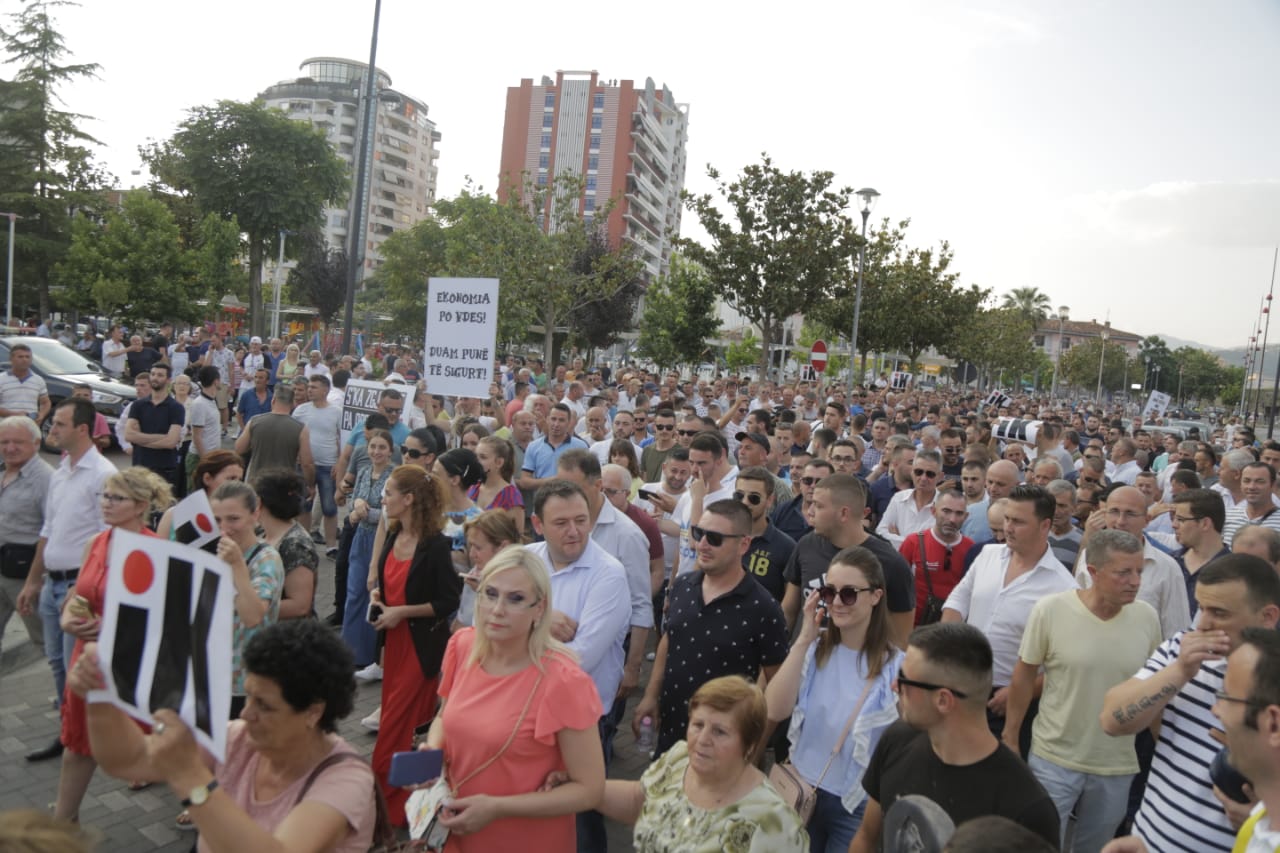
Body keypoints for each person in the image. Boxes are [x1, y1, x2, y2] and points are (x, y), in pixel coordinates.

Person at [72, 619, 377, 852]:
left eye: (265, 706)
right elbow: (129, 761)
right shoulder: (238, 739)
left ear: (313, 712)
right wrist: (101, 697)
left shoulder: (346, 779)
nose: (245, 714)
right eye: (248, 697)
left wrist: (189, 775)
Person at [419, 545, 606, 851]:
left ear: (539, 609)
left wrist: (497, 808)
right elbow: (444, 715)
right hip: (455, 829)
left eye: (515, 599)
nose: (497, 609)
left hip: (523, 838)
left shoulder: (564, 681)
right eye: (490, 594)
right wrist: (433, 752)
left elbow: (590, 790)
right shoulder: (463, 646)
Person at [1101, 554, 1280, 853]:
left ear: (1268, 617)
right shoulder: (1180, 650)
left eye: (1220, 613)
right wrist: (1180, 672)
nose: (1203, 623)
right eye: (1201, 607)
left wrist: (1265, 816)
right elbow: (1111, 720)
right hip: (1146, 841)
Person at [1003, 530, 1163, 851]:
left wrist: (1165, 750)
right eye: (1123, 572)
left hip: (1116, 765)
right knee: (1042, 843)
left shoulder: (1147, 617)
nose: (1135, 581)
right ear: (1093, 573)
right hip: (1054, 759)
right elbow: (1023, 677)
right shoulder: (1050, 610)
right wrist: (1010, 736)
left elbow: (1153, 690)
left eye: (1138, 572)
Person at [847, 623, 1061, 852]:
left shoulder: (1027, 809)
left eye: (904, 679)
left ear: (943, 700)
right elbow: (867, 837)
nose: (893, 686)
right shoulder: (897, 740)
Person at [51, 468, 173, 823]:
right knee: (77, 744)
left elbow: (167, 617)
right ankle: (64, 821)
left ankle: (204, 810)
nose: (105, 503)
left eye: (115, 497)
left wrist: (113, 625)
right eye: (104, 495)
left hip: (130, 662)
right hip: (87, 658)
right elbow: (80, 595)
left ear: (140, 506)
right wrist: (67, 619)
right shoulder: (96, 543)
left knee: (150, 745)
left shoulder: (156, 551)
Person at [765, 546, 904, 851]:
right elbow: (773, 708)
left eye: (849, 593)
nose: (837, 602)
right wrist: (803, 638)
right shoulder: (814, 650)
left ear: (876, 596)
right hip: (800, 788)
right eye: (829, 593)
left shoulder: (898, 667)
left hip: (855, 804)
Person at [636, 500, 789, 758]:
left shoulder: (763, 607)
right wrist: (650, 696)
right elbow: (669, 641)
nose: (701, 544)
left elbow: (776, 683)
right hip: (670, 733)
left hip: (722, 744)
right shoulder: (684, 585)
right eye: (698, 533)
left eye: (715, 538)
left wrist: (755, 745)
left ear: (743, 544)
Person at [589, 676, 808, 852]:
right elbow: (639, 799)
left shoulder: (774, 823)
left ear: (749, 745)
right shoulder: (679, 757)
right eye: (698, 724)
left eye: (719, 732)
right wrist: (581, 787)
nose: (702, 739)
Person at [941, 484, 1078, 756]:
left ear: (1045, 525)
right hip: (962, 686)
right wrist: (948, 653)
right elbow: (957, 603)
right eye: (1006, 519)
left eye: (1018, 521)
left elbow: (1062, 664)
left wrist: (1017, 693)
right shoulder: (988, 556)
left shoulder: (1063, 588)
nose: (1008, 528)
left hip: (1006, 704)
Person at [16, 398, 117, 764]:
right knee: (57, 662)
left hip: (78, 586)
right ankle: (70, 728)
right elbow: (49, 530)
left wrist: (81, 588)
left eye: (58, 424)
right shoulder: (60, 472)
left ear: (82, 430)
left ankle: (80, 733)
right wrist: (33, 580)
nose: (51, 430)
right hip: (52, 583)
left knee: (76, 665)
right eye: (52, 423)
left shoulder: (103, 474)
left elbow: (109, 539)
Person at [367, 464, 460, 825]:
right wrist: (381, 596)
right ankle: (404, 805)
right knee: (400, 726)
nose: (383, 498)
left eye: (388, 493)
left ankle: (388, 808)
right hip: (393, 643)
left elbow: (448, 600)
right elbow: (394, 584)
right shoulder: (393, 533)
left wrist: (401, 612)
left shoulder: (436, 545)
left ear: (408, 500)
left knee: (394, 729)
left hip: (420, 649)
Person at [781, 474, 916, 648]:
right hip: (804, 662)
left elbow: (900, 638)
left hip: (859, 667)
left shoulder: (889, 562)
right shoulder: (806, 544)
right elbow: (789, 610)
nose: (810, 511)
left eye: (818, 505)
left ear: (844, 513)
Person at [211, 480, 285, 719]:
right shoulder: (214, 554)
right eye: (217, 521)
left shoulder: (266, 559)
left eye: (233, 519)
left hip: (246, 685)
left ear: (256, 513)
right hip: (213, 677)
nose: (224, 529)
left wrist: (236, 566)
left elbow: (252, 616)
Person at [0, 416, 52, 684]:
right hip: (1, 568)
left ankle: (68, 695)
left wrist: (34, 580)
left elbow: (51, 530)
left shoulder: (45, 479)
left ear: (35, 442)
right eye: (4, 442)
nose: (9, 448)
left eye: (17, 442)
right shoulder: (2, 471)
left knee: (46, 640)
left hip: (25, 575)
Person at [340, 429, 395, 671]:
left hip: (380, 539)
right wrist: (357, 506)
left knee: (373, 594)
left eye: (382, 447)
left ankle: (370, 655)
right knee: (354, 594)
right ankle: (348, 651)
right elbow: (355, 499)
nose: (376, 452)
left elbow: (388, 514)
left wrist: (364, 511)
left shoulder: (394, 476)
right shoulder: (363, 471)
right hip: (360, 537)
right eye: (373, 447)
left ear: (390, 451)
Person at [898, 488, 973, 626]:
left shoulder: (971, 549)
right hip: (914, 627)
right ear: (933, 511)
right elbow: (896, 585)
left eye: (959, 513)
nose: (952, 519)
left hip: (951, 629)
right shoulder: (913, 542)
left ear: (966, 516)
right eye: (946, 511)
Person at [254, 469, 318, 620]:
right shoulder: (261, 533)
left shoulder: (295, 545)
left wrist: (250, 608)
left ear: (259, 502)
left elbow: (300, 606)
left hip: (288, 636)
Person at [456, 510, 522, 630]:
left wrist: (485, 592)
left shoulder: (524, 581)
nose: (471, 554)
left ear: (503, 547)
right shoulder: (475, 573)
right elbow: (461, 622)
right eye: (470, 546)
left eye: (478, 548)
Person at [156, 450, 245, 539]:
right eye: (231, 478)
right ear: (207, 479)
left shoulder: (240, 519)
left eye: (239, 480)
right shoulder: (173, 515)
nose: (236, 484)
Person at [125, 363, 185, 486]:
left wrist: (140, 439)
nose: (155, 378)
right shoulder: (137, 405)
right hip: (139, 467)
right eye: (153, 374)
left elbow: (170, 443)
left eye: (160, 375)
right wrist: (161, 437)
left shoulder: (176, 408)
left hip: (164, 469)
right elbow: (129, 436)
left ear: (168, 380)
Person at [470, 435, 524, 536]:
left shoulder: (511, 495)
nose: (476, 461)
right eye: (475, 456)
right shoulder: (473, 488)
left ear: (499, 462)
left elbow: (518, 538)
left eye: (483, 457)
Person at [0, 341, 50, 425]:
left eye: (27, 357)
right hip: (6, 427)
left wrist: (42, 414)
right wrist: (14, 414)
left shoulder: (38, 380)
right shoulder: (1, 379)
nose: (24, 360)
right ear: (11, 359)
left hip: (30, 427)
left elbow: (45, 402)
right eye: (20, 357)